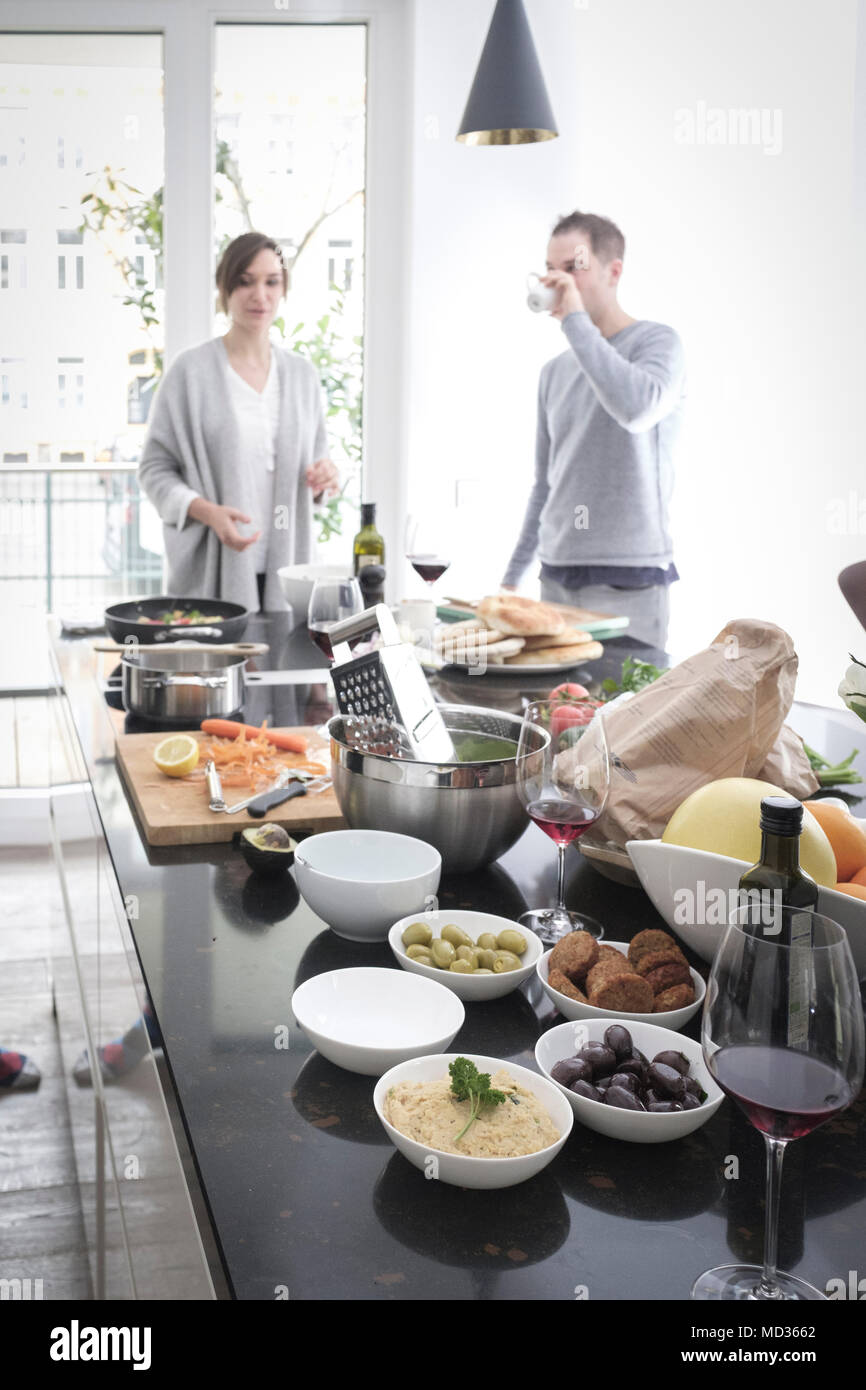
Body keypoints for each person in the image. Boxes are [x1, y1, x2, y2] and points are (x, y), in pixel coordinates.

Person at [501, 211, 685, 649]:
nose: (556, 281)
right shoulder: (554, 372)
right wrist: (511, 580)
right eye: (550, 269)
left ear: (613, 271)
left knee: (627, 713)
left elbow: (636, 408)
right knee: (559, 713)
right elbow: (545, 485)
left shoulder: (657, 343)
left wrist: (575, 322)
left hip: (630, 582)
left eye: (572, 268)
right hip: (557, 578)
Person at [139, 232, 339, 614]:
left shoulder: (302, 376)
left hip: (289, 571)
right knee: (214, 672)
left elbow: (317, 470)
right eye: (245, 281)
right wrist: (209, 513)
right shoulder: (190, 372)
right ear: (224, 288)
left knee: (285, 672)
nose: (259, 295)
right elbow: (154, 470)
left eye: (271, 281)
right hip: (214, 572)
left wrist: (324, 479)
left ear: (284, 289)